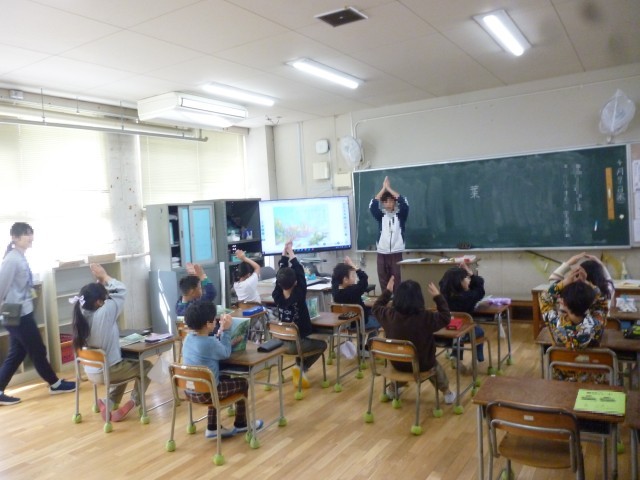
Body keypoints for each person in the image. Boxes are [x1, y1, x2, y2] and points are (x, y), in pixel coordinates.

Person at [0, 222, 76, 405]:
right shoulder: (12, 259)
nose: (30, 237)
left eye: (31, 233)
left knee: (17, 353)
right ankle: (54, 384)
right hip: (17, 314)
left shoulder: (19, 256)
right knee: (37, 350)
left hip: (22, 312)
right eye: (26, 234)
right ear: (15, 237)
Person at [72, 263, 150, 421]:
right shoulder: (105, 313)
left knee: (124, 363)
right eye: (105, 298)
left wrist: (100, 284)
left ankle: (110, 401)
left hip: (91, 371)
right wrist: (105, 276)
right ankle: (134, 401)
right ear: (99, 302)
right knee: (147, 367)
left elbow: (94, 297)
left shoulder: (81, 312)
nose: (108, 299)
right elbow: (121, 290)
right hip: (108, 371)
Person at [181, 301, 262, 438]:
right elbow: (225, 353)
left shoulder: (188, 339)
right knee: (243, 383)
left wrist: (220, 333)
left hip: (190, 391)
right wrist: (227, 330)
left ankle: (213, 427)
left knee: (220, 378)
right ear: (208, 324)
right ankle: (241, 423)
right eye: (214, 320)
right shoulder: (209, 343)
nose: (216, 322)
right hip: (208, 394)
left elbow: (209, 347)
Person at [372, 276, 457, 404]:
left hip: (397, 363)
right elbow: (446, 317)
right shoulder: (426, 317)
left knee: (405, 363)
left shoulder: (389, 315)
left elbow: (375, 308)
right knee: (434, 366)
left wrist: (387, 291)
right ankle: (447, 393)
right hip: (423, 364)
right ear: (419, 298)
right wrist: (438, 297)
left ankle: (392, 389)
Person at [272, 240, 327, 389]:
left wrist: (284, 256)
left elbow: (280, 278)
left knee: (304, 342)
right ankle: (300, 367)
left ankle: (298, 365)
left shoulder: (277, 296)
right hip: (297, 343)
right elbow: (300, 272)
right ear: (296, 282)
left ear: (279, 284)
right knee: (323, 344)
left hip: (281, 342)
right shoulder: (299, 295)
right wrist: (291, 253)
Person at [540, 265, 606, 349]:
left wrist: (565, 281)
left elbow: (545, 297)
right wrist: (585, 282)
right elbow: (602, 300)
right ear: (590, 303)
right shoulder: (597, 323)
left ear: (564, 303)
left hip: (561, 357)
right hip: (591, 358)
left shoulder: (556, 323)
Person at [438, 263, 486, 369]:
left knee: (458, 332)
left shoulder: (443, 297)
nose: (469, 280)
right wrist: (472, 274)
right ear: (460, 282)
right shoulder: (468, 296)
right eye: (466, 278)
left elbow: (442, 282)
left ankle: (455, 356)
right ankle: (478, 358)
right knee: (479, 331)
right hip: (464, 332)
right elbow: (480, 290)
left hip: (447, 330)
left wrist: (452, 273)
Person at [369, 176, 409, 294]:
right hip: (382, 252)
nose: (388, 204)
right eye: (385, 201)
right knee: (383, 281)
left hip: (396, 252)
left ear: (394, 202)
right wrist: (383, 188)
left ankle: (396, 302)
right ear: (383, 203)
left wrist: (389, 188)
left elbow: (404, 202)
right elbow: (372, 205)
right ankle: (386, 301)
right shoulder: (381, 216)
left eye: (391, 201)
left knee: (397, 281)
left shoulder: (401, 215)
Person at [549, 252, 614, 314]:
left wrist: (569, 262)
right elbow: (608, 279)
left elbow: (553, 280)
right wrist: (600, 264)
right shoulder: (606, 292)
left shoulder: (572, 293)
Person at [331, 255, 380, 331]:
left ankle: (363, 337)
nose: (355, 278)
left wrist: (343, 268)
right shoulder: (354, 290)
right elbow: (364, 278)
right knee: (381, 318)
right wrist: (353, 265)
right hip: (363, 323)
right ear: (345, 279)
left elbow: (334, 279)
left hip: (348, 324)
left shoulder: (335, 292)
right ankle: (370, 337)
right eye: (353, 276)